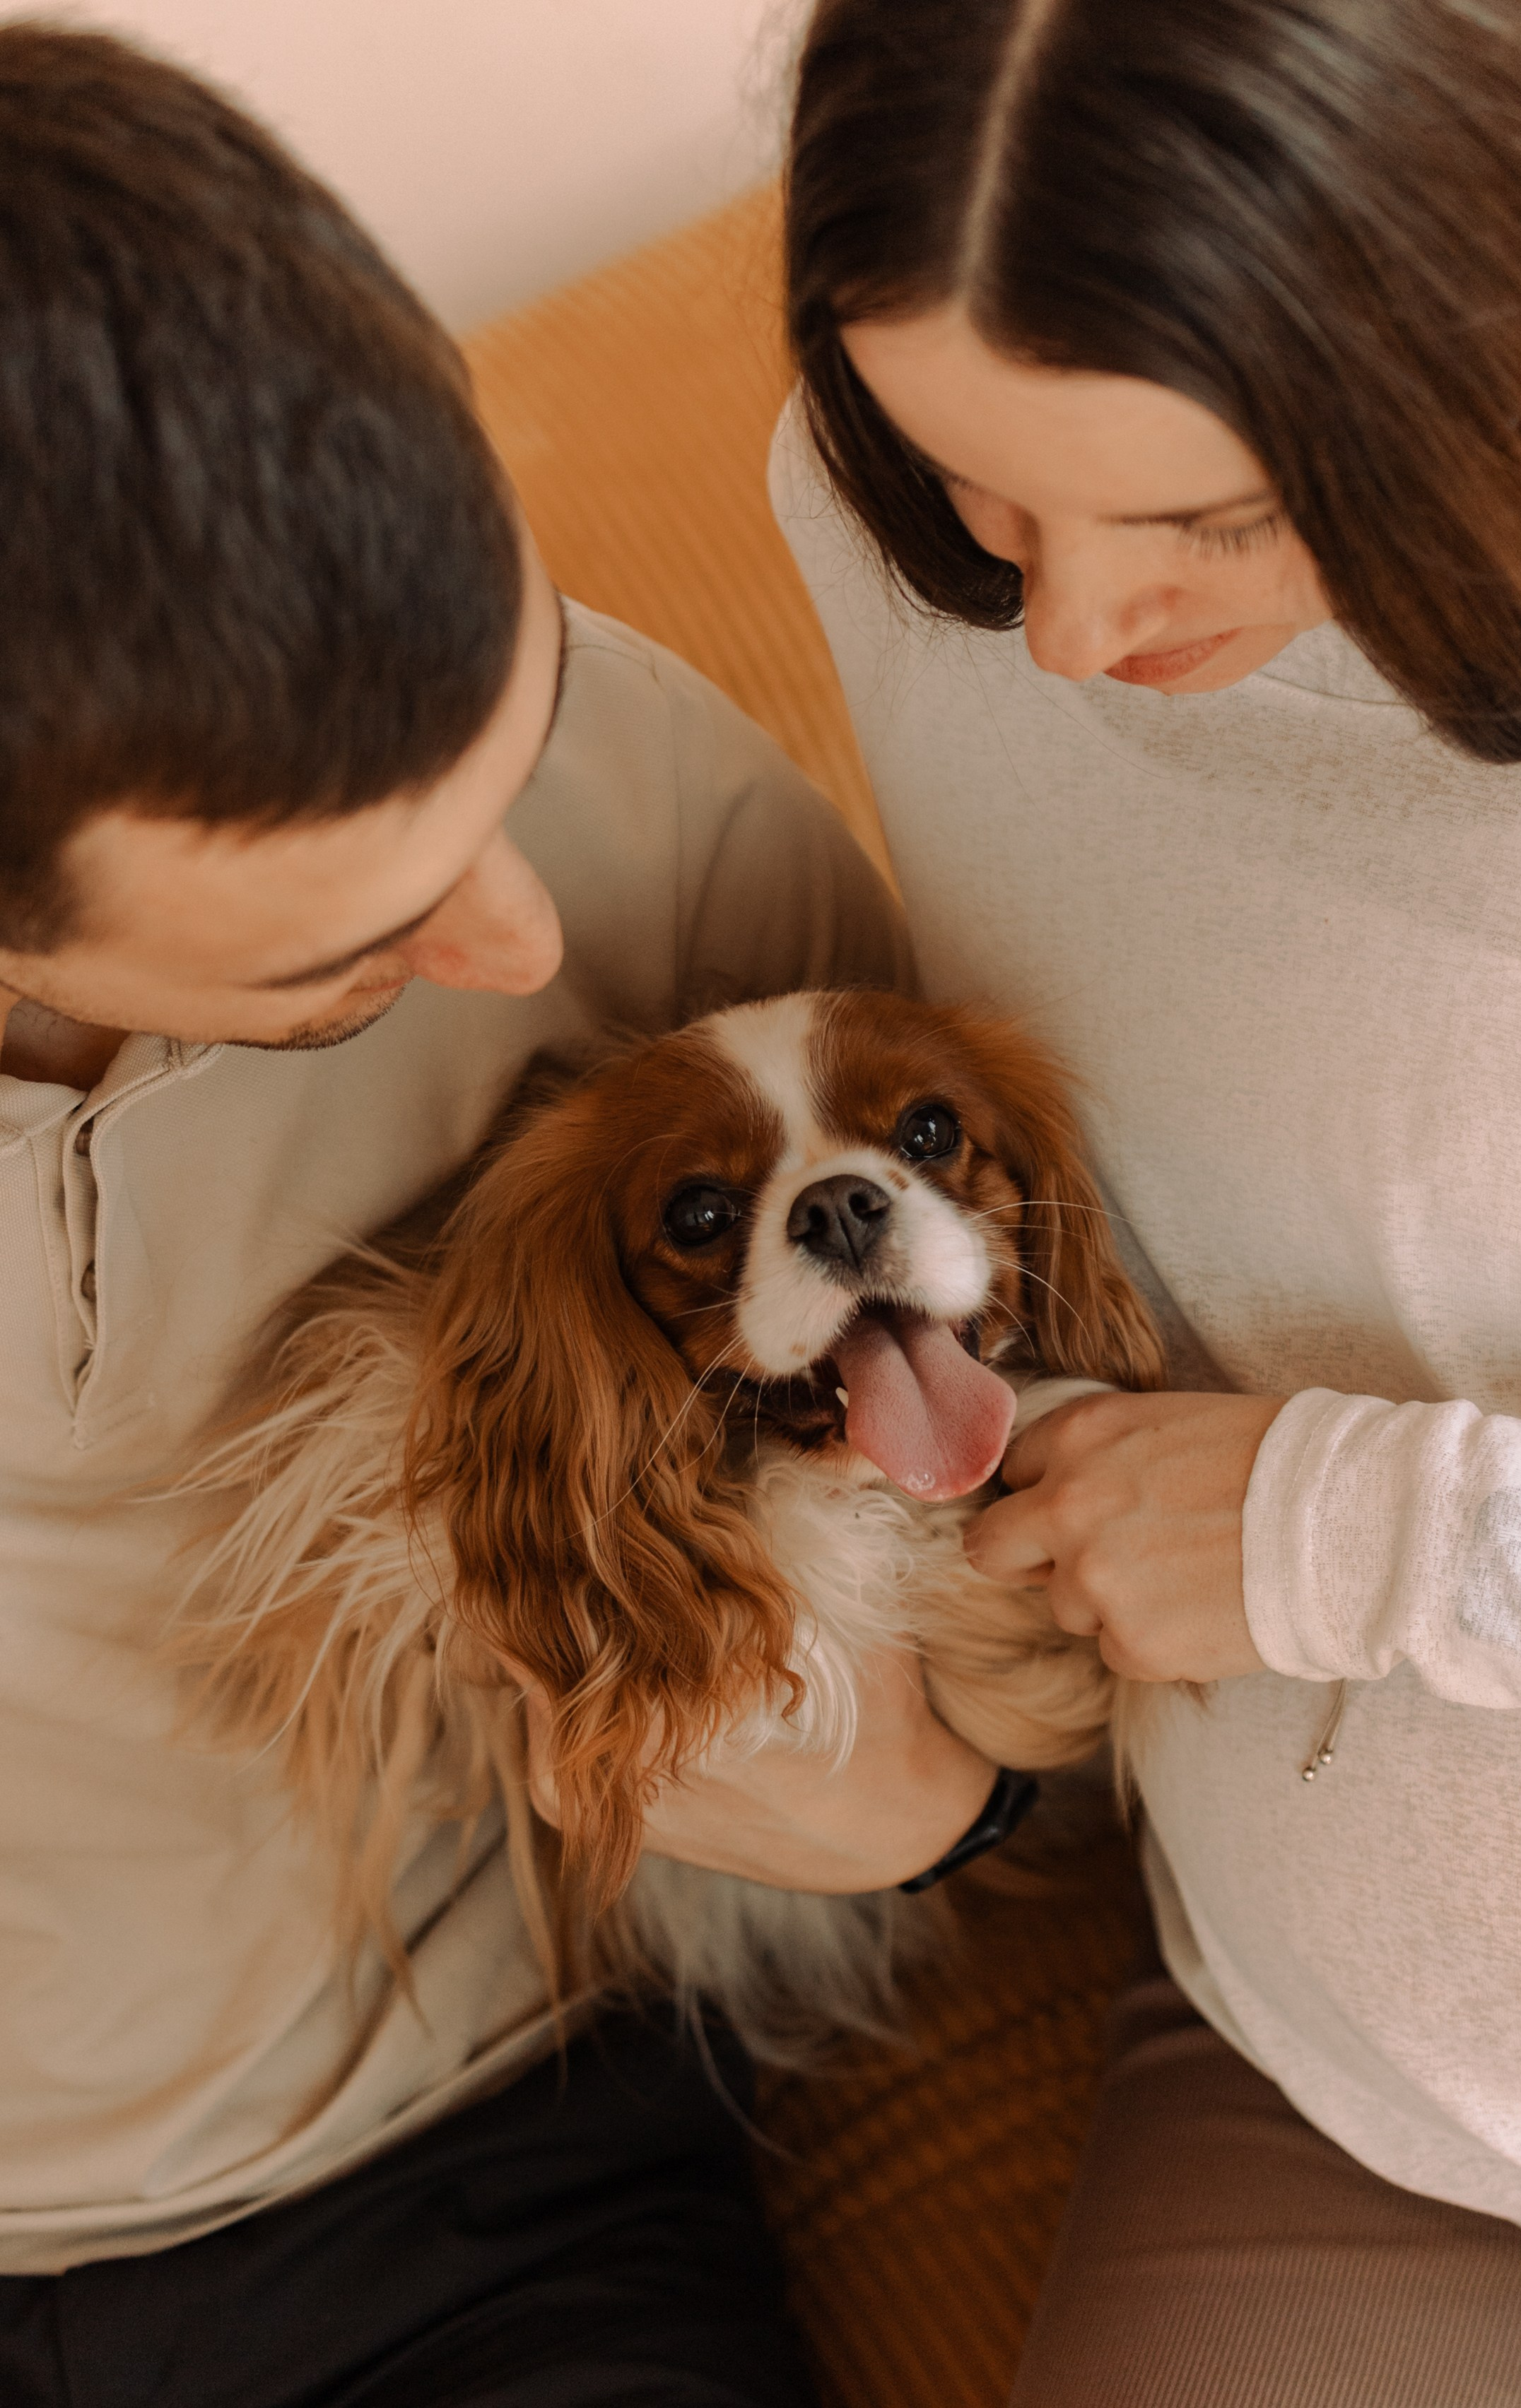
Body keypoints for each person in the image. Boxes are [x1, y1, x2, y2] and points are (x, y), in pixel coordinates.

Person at [0, 24, 997, 2404]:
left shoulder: (665, 821)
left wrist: (920, 1796)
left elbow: (1017, 1439)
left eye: (509, 736)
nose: (532, 951)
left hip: (452, 2194)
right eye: (346, 960)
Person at [774, 0, 1521, 2399]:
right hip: (1350, 2063)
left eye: (1209, 521)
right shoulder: (891, 513)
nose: (1062, 635)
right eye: (994, 500)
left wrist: (1357, 1530)